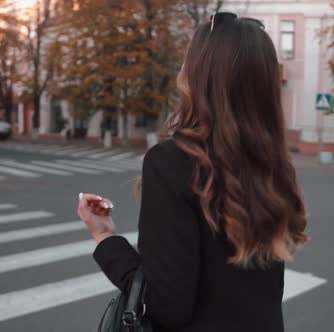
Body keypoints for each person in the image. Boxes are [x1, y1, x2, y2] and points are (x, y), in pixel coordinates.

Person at [78, 13, 308, 331]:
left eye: (188, 59)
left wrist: (104, 237)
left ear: (199, 75)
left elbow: (165, 306)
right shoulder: (272, 166)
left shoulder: (172, 163)